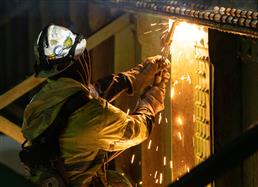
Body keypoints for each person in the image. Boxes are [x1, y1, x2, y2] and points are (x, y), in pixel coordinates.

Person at [19, 24, 170, 187]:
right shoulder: (95, 117)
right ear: (79, 59)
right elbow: (138, 130)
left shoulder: (38, 103)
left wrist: (138, 74)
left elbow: (88, 95)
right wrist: (152, 100)